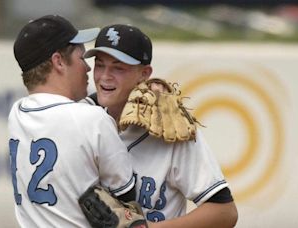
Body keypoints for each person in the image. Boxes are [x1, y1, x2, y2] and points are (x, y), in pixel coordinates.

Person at [83, 24, 238, 227]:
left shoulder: (172, 129)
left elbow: (225, 212)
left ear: (144, 73)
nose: (104, 76)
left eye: (118, 68)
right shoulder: (83, 117)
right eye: (100, 64)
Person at [8, 15, 136, 227]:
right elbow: (128, 199)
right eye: (81, 57)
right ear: (58, 61)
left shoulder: (17, 113)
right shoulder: (93, 120)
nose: (87, 68)